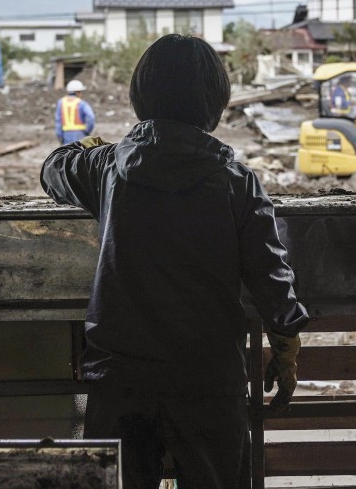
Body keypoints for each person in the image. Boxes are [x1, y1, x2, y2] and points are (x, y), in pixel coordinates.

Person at [40, 34, 309, 489]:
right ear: (216, 105)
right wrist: (285, 346)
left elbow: (53, 167)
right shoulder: (236, 180)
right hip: (207, 379)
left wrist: (88, 147)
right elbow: (270, 274)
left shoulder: (107, 168)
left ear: (139, 98)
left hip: (118, 379)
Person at [55, 79, 95, 144]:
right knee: (81, 153)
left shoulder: (61, 103)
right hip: (80, 134)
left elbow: (58, 121)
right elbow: (91, 117)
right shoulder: (81, 103)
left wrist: (60, 136)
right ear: (77, 92)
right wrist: (87, 131)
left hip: (66, 135)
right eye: (80, 92)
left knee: (67, 153)